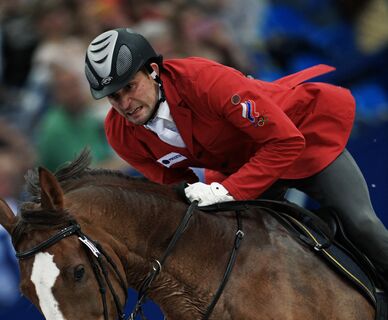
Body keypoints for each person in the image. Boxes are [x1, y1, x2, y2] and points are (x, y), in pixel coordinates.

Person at [84, 28, 388, 284]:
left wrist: (228, 191)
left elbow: (285, 142)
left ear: (152, 71)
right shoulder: (120, 133)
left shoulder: (204, 80)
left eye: (130, 87)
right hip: (237, 169)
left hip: (298, 137)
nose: (125, 103)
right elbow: (176, 187)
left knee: (361, 224)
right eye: (114, 96)